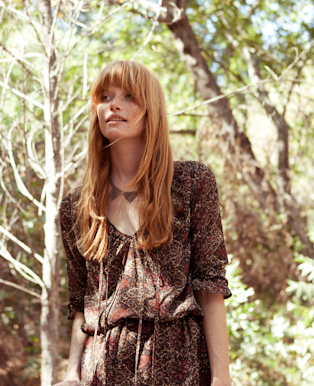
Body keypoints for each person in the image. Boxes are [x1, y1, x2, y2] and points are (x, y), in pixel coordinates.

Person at [55, 60, 232, 386]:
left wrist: (222, 379)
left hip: (180, 368)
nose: (114, 105)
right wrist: (70, 374)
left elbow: (210, 288)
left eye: (129, 96)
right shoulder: (76, 206)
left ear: (151, 109)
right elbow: (82, 301)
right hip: (102, 371)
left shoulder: (192, 183)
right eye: (105, 97)